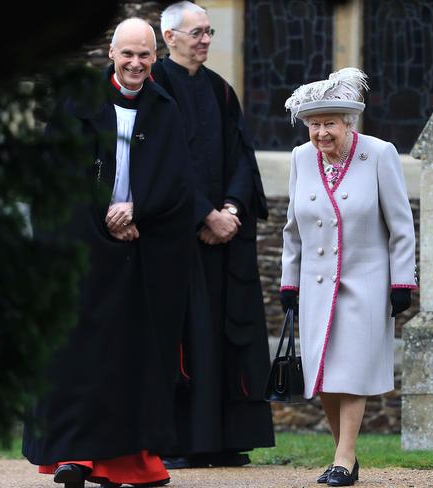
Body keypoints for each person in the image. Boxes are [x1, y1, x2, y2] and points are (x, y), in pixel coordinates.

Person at [22, 18, 195, 488]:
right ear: (112, 55)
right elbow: (56, 179)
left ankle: (130, 463)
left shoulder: (165, 109)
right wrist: (104, 217)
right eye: (127, 54)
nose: (135, 63)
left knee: (134, 357)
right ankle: (73, 456)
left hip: (142, 252)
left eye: (144, 55)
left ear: (155, 57)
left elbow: (180, 185)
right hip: (82, 247)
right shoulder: (77, 103)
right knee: (78, 354)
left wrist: (140, 212)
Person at [151, 1, 274, 469]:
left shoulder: (222, 91)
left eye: (209, 31)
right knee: (186, 336)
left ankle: (224, 439)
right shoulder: (154, 87)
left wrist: (232, 209)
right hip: (178, 240)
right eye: (196, 32)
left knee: (227, 335)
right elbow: (162, 163)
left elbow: (243, 156)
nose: (205, 40)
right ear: (170, 37)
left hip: (223, 242)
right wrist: (203, 214)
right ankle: (179, 443)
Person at [280, 68, 417, 487]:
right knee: (323, 373)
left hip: (366, 282)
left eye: (329, 124)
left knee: (352, 368)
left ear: (347, 122)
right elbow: (291, 228)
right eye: (314, 125)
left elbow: (400, 224)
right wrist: (290, 281)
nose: (321, 134)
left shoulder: (378, 153)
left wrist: (401, 281)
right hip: (317, 285)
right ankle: (346, 459)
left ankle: (342, 458)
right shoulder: (302, 159)